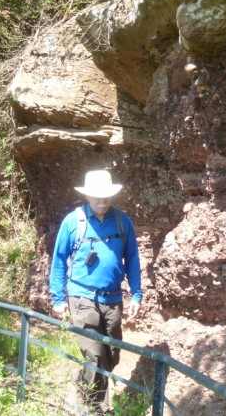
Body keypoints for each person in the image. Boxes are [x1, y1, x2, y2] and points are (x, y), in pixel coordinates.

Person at [49, 169, 142, 412]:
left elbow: (132, 260)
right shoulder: (74, 221)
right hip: (82, 297)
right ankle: (96, 408)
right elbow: (59, 260)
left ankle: (80, 380)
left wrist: (136, 294)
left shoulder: (123, 221)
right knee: (95, 355)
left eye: (106, 196)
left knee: (111, 354)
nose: (102, 201)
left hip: (112, 299)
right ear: (87, 196)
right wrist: (58, 298)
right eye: (97, 196)